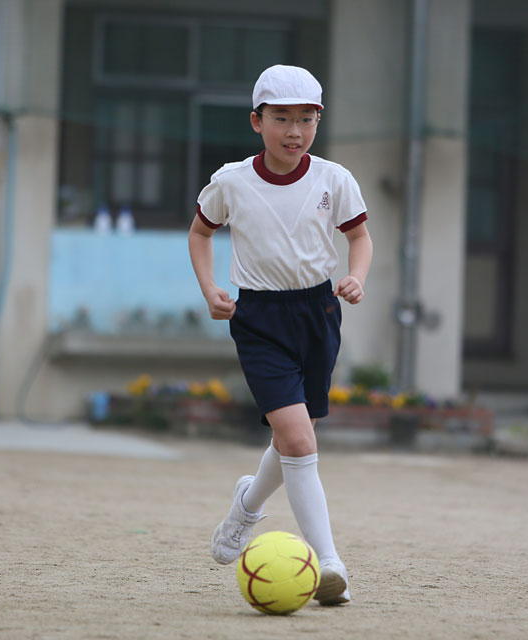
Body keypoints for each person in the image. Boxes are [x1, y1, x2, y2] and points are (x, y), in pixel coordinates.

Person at [188, 64, 373, 606]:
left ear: (319, 120)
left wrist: (356, 276)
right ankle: (330, 564)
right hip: (259, 320)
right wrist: (210, 289)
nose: (295, 132)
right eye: (282, 119)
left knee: (295, 436)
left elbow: (360, 237)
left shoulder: (335, 179)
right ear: (257, 121)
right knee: (298, 439)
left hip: (319, 313)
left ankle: (246, 505)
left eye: (307, 120)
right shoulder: (231, 181)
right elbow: (200, 232)